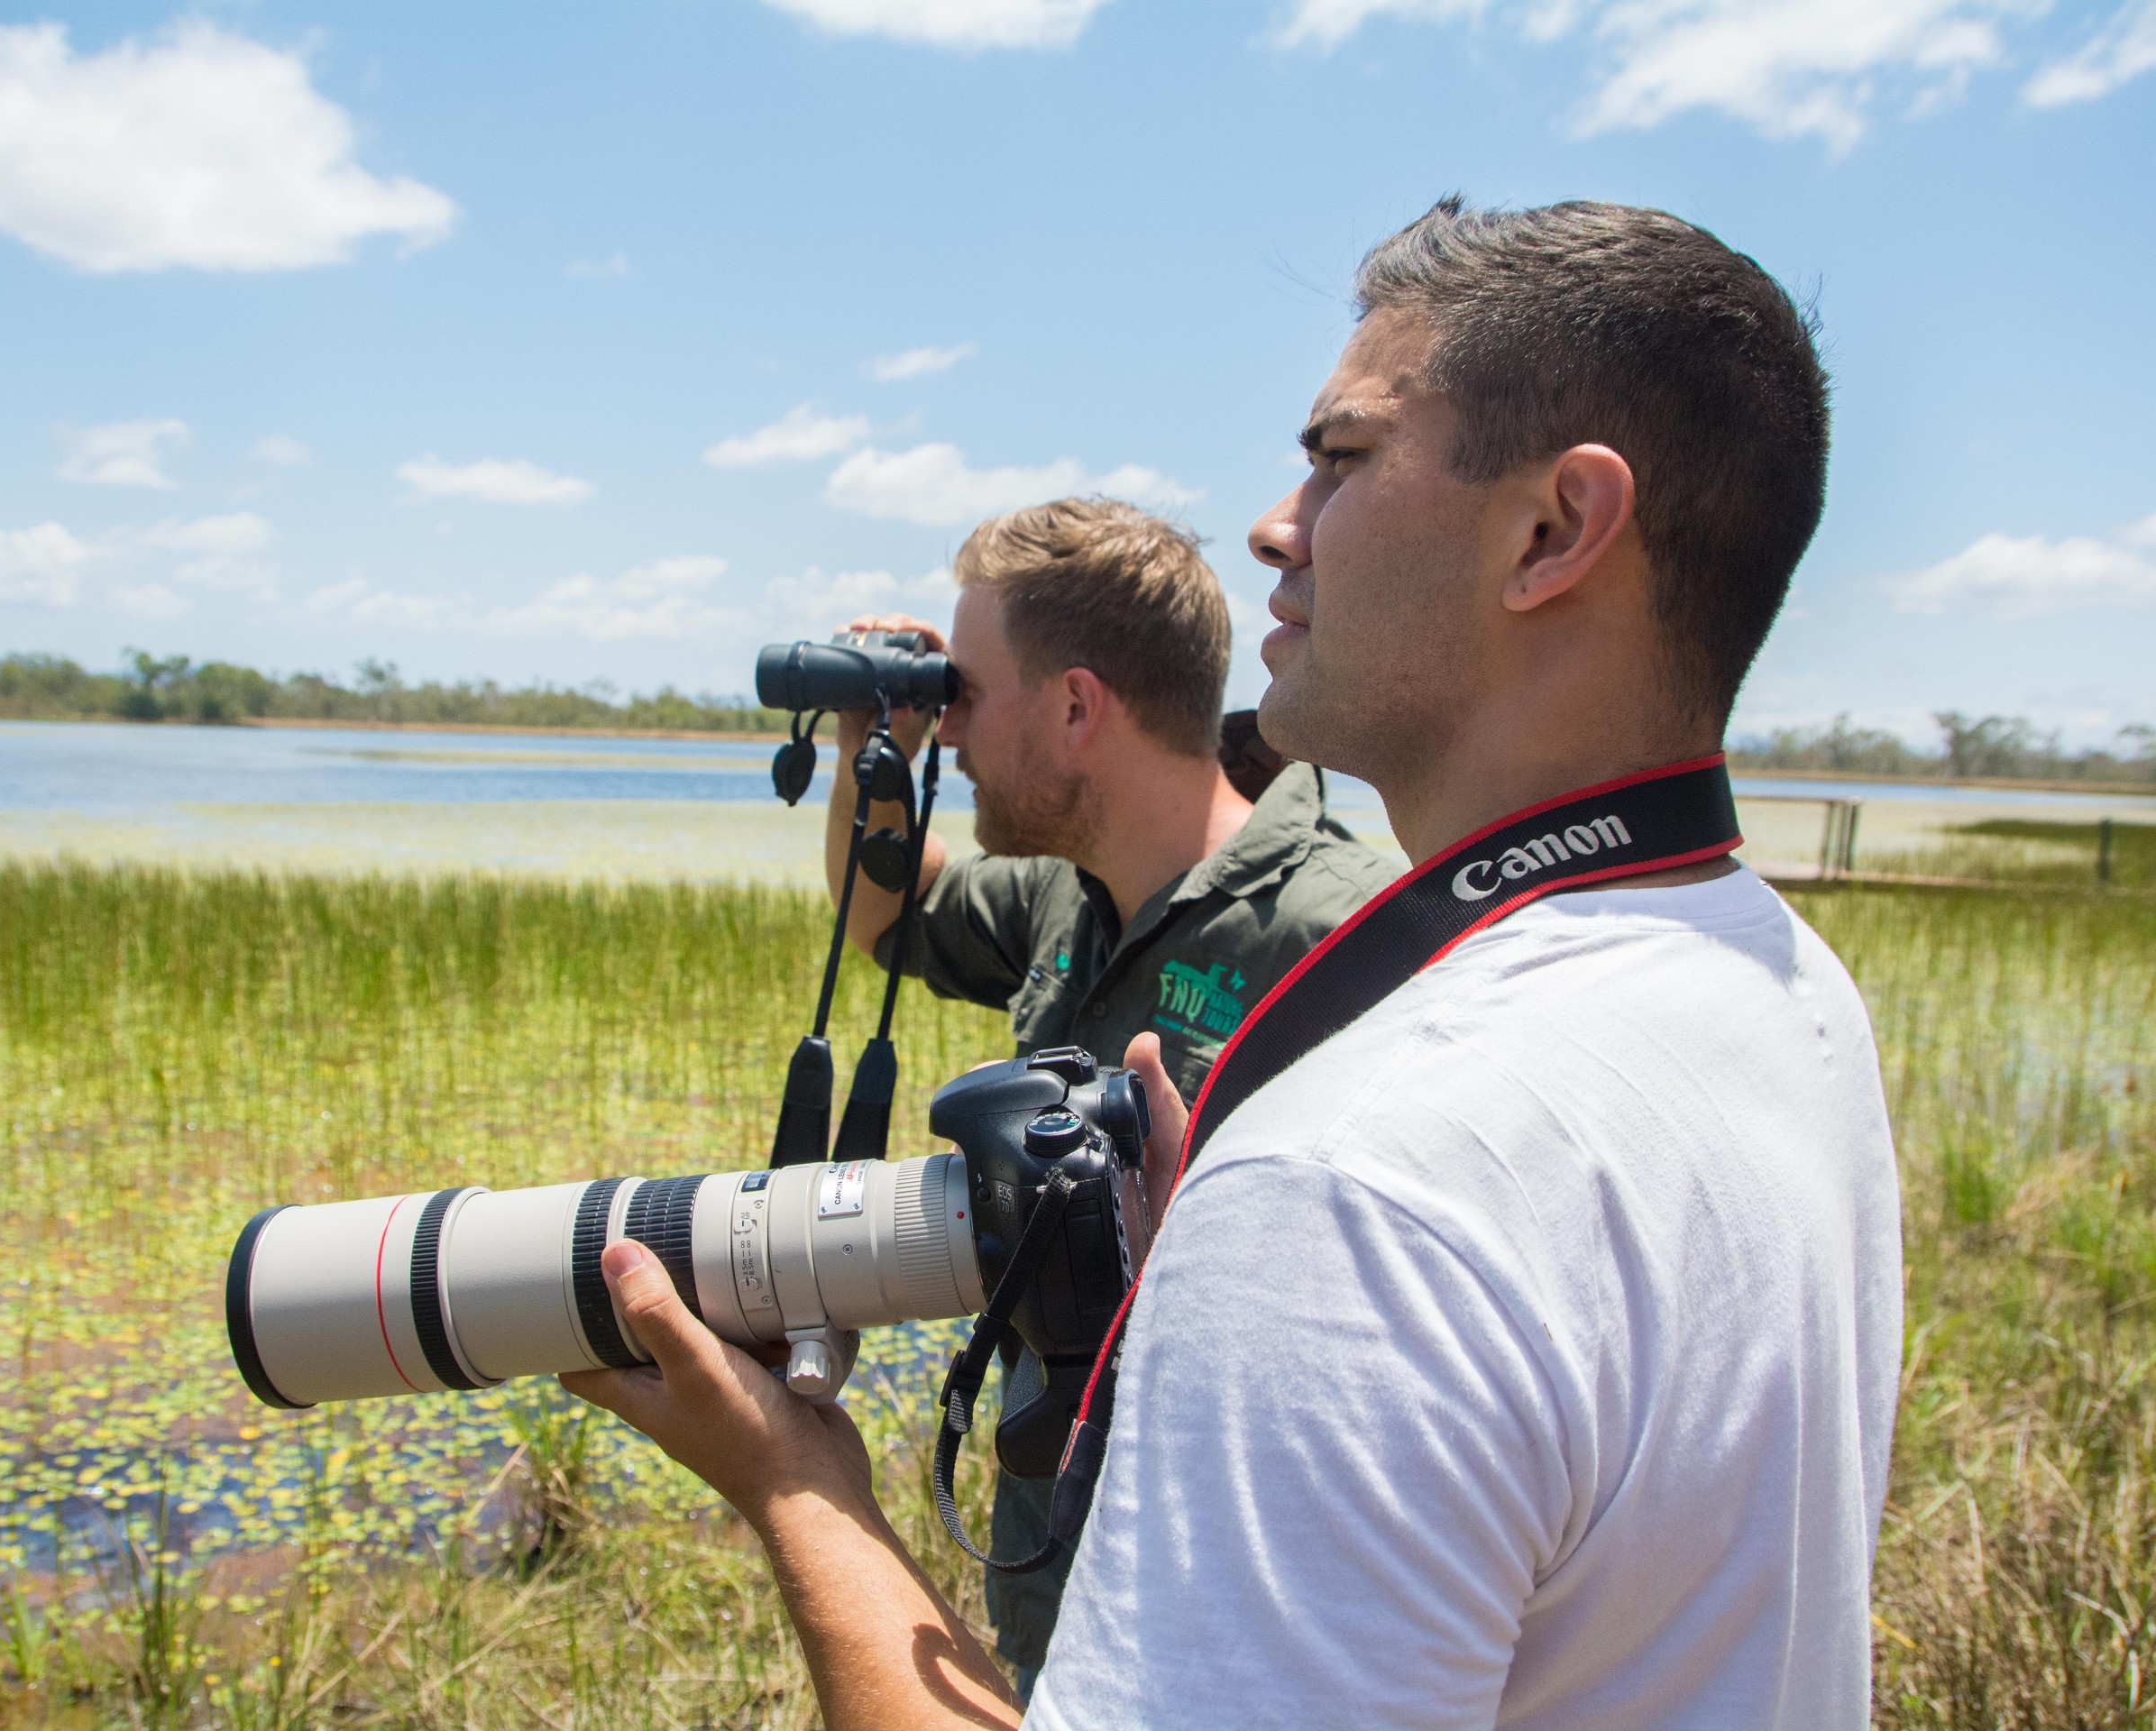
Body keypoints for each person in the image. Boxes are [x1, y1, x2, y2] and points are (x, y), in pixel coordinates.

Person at [565, 197, 1903, 1731]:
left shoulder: (1359, 1161)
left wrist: (800, 1491)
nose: (1276, 525)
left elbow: (1377, 1233)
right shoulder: (1774, 982)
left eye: (1340, 459)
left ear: (1553, 531)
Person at [821, 496, 1395, 1694]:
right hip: (1057, 1566)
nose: (956, 732)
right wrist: (870, 752)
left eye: (964, 695)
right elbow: (885, 920)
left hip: (1233, 1600)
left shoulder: (1343, 928)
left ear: (1078, 707)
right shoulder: (1062, 898)